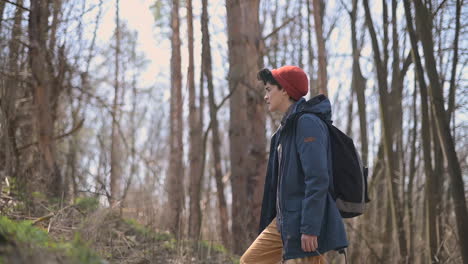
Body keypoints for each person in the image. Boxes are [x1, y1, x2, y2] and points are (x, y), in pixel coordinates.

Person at [240, 66, 348, 264]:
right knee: (251, 260)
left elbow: (317, 178)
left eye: (268, 89)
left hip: (304, 219)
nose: (265, 96)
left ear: (284, 90)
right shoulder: (286, 130)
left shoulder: (307, 123)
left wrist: (310, 227)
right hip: (286, 220)